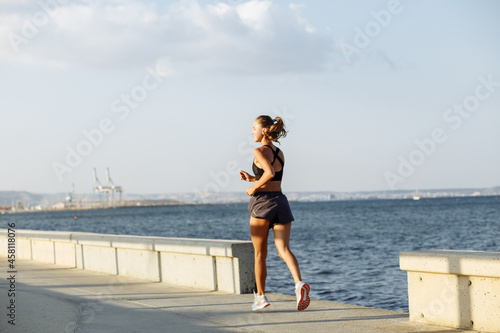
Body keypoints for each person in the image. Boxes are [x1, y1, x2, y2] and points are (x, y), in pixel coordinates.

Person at [239, 115, 310, 312]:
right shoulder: (279, 152)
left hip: (263, 204)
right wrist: (252, 178)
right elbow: (271, 177)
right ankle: (299, 284)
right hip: (281, 202)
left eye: (254, 128)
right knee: (284, 250)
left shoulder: (259, 150)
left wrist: (253, 188)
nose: (251, 131)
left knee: (260, 254)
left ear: (263, 130)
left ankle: (261, 297)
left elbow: (269, 174)